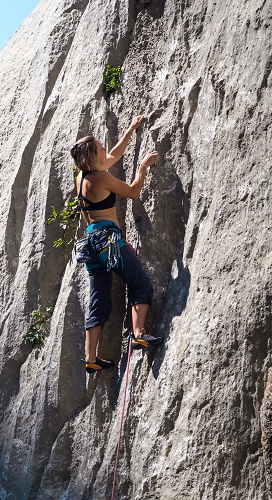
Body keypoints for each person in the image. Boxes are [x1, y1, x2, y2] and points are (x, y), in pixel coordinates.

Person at [69, 115, 163, 374]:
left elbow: (112, 156)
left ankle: (91, 358)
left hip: (91, 245)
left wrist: (131, 129)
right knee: (139, 284)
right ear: (92, 156)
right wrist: (142, 168)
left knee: (98, 302)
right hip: (108, 240)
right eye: (99, 147)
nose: (104, 149)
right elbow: (132, 192)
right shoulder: (101, 178)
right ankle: (139, 334)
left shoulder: (83, 178)